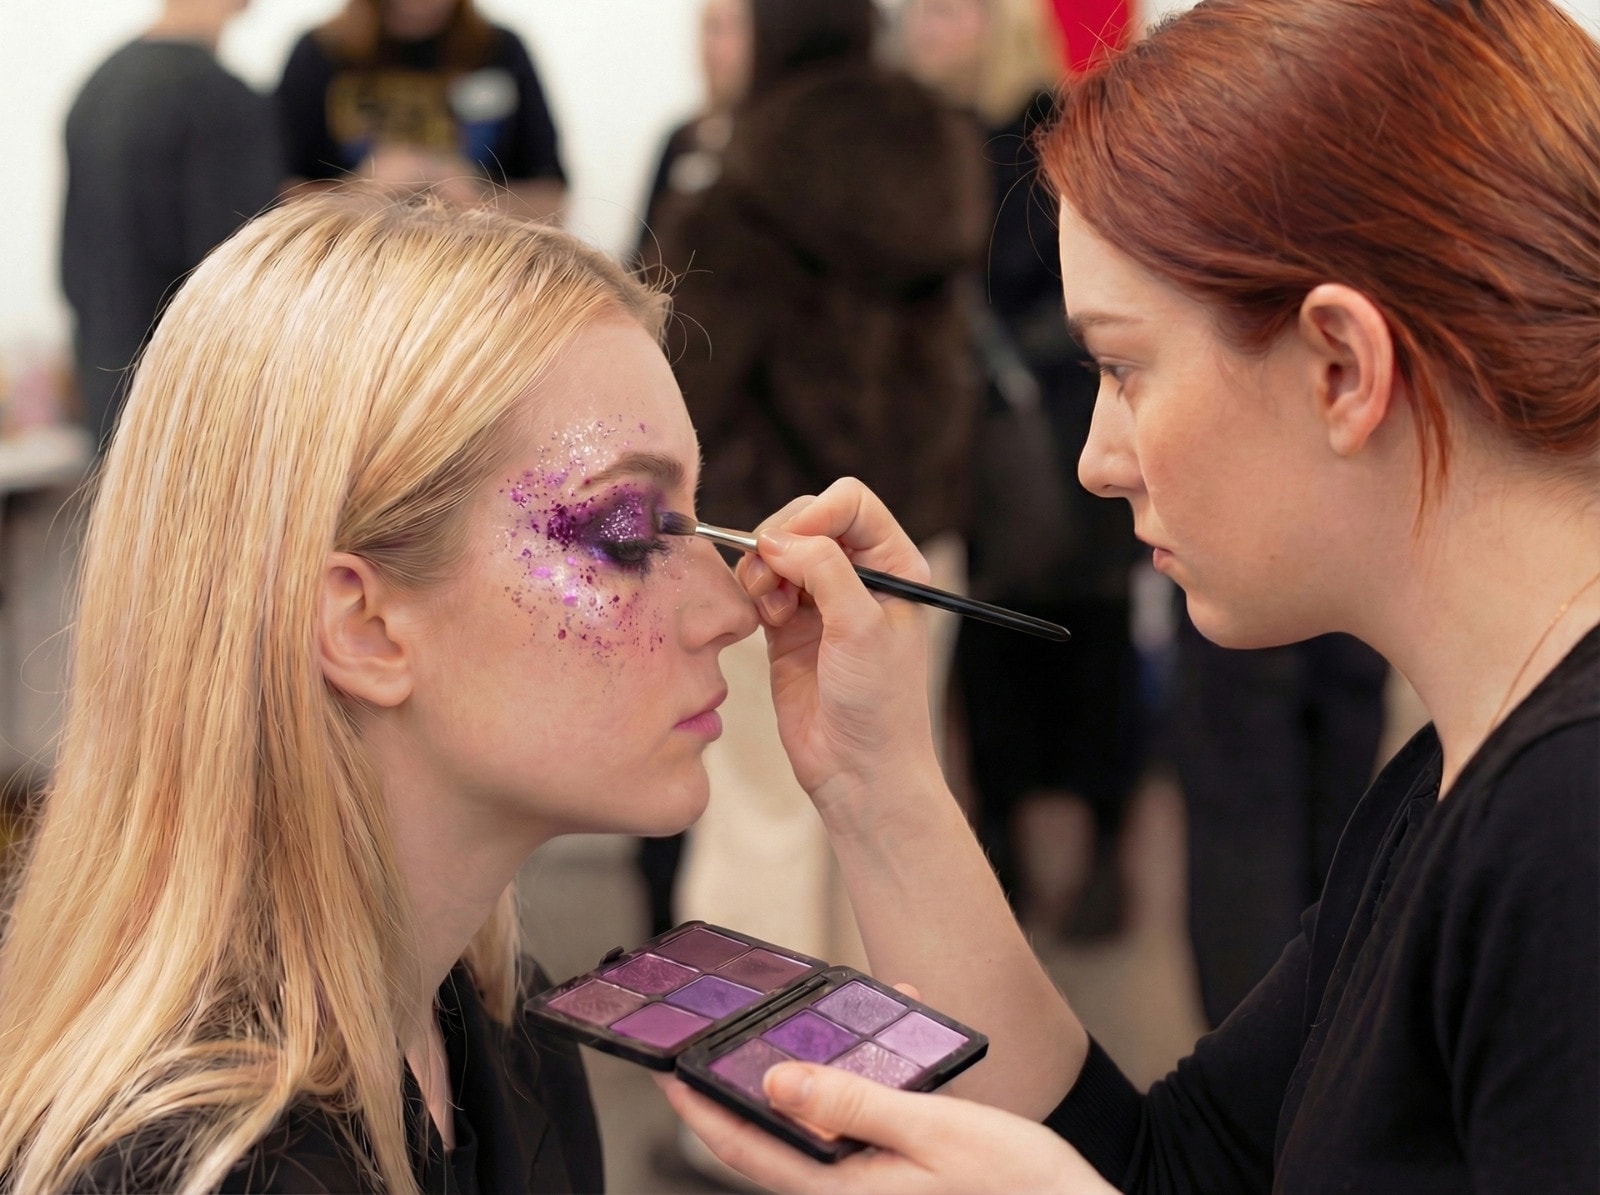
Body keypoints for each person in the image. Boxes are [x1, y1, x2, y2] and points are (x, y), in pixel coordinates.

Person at [658, 0, 1600, 1189]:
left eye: (1123, 366)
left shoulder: (1570, 821)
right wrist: (875, 778)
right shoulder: (1460, 780)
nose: (1097, 458)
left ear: (1341, 368)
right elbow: (1170, 1162)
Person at [0, 193, 756, 1192]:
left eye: (698, 525)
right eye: (627, 533)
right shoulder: (190, 1167)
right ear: (361, 624)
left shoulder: (496, 1033)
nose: (728, 610)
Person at [652, 0, 989, 968]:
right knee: (882, 802)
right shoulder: (936, 150)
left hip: (775, 546)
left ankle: (750, 1087)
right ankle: (882, 1073)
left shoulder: (740, 170)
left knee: (762, 807)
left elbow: (690, 382)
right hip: (912, 540)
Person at [900, 0, 1145, 940]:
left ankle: (1100, 861)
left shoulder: (1053, 128)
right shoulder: (927, 135)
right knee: (998, 649)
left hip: (1061, 418)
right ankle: (1004, 853)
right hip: (991, 437)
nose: (928, 33)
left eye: (948, 13)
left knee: (1094, 647)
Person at [630, 0, 756, 940]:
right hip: (692, 486)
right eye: (710, 27)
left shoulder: (794, 161)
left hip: (757, 493)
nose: (724, 47)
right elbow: (641, 290)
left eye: (740, 27)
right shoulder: (681, 141)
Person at [60, 0, 281, 453]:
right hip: (193, 410)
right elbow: (244, 271)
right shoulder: (220, 99)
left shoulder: (97, 85)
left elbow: (74, 266)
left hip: (107, 393)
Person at [274, 0, 566, 220]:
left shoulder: (500, 50)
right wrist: (363, 188)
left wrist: (471, 196)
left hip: (473, 269)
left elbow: (552, 199)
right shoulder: (320, 52)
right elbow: (276, 199)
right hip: (351, 270)